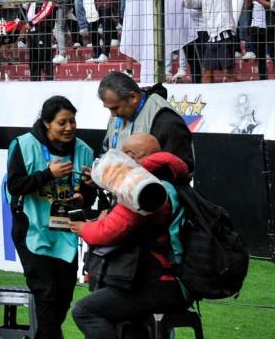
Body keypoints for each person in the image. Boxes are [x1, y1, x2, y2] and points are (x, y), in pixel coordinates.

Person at [71, 133, 191, 338]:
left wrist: (83, 227)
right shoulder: (171, 179)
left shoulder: (142, 188)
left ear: (131, 157)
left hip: (156, 282)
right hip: (176, 279)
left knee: (84, 310)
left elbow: (108, 231)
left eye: (123, 157)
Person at [6, 96, 95, 339]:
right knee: (46, 293)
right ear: (46, 123)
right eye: (62, 122)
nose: (69, 128)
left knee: (64, 296)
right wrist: (47, 174)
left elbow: (90, 195)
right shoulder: (23, 145)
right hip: (32, 229)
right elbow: (14, 185)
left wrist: (84, 193)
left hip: (66, 231)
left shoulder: (85, 151)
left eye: (73, 121)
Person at [98, 71, 193, 173]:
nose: (113, 114)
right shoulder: (117, 113)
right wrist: (99, 175)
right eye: (109, 109)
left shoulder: (166, 121)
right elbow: (106, 152)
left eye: (115, 108)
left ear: (133, 97)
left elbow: (180, 170)